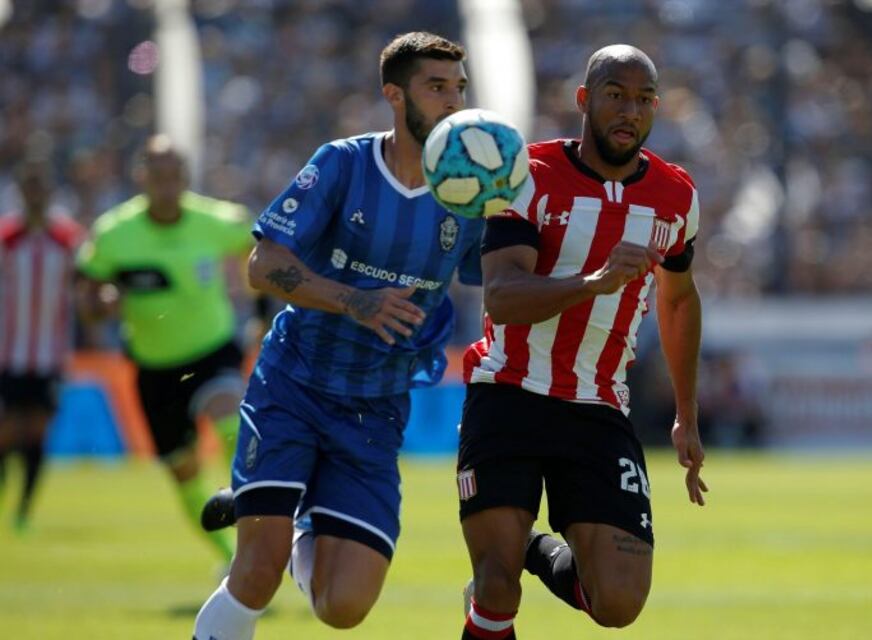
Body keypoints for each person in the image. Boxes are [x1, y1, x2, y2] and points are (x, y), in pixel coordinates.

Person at [192, 31, 482, 640]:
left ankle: (292, 508)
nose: (454, 101)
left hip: (375, 407)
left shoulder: (470, 196)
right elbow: (262, 266)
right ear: (395, 96)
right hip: (293, 384)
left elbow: (502, 279)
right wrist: (354, 300)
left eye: (460, 87)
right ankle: (271, 506)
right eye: (437, 87)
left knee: (342, 607)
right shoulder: (342, 163)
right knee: (257, 572)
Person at [456, 44, 708, 639]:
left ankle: (531, 545)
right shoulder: (528, 177)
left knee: (617, 602)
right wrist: (596, 282)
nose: (630, 111)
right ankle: (504, 560)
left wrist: (687, 416)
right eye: (615, 95)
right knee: (496, 586)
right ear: (584, 100)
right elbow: (504, 296)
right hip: (509, 392)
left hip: (597, 405)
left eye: (644, 99)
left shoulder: (676, 197)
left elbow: (677, 300)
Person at [75, 135, 255, 563]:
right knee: (184, 473)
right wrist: (100, 306)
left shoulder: (218, 220)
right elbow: (87, 295)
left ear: (186, 177)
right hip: (154, 367)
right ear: (141, 177)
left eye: (174, 175)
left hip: (213, 352)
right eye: (157, 175)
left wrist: (263, 316)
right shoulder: (114, 233)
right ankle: (231, 558)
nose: (166, 184)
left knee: (232, 421)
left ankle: (252, 518)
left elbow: (262, 256)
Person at [0, 162, 84, 533]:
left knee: (36, 432)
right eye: (29, 187)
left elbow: (84, 287)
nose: (35, 194)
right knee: (6, 431)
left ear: (48, 193)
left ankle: (23, 510)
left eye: (40, 187)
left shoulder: (67, 239)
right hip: (8, 353)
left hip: (49, 355)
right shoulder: (6, 238)